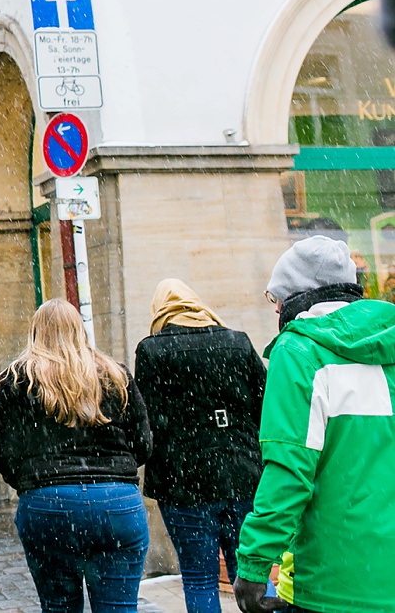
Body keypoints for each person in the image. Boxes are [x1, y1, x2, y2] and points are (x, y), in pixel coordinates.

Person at [232, 236, 395, 613]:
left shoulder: (300, 352)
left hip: (337, 582)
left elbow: (289, 473)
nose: (276, 312)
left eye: (276, 299)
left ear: (295, 299)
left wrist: (254, 565)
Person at [0, 299, 153, 613]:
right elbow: (143, 443)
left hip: (48, 504)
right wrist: (114, 472)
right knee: (119, 607)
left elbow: (1, 452)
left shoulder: (17, 379)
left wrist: (32, 483)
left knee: (58, 606)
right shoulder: (115, 376)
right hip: (116, 503)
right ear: (79, 330)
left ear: (36, 332)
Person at [133, 279, 265, 613]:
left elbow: (150, 423)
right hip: (243, 476)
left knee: (198, 579)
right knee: (251, 572)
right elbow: (264, 408)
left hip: (184, 485)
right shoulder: (237, 342)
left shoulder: (152, 350)